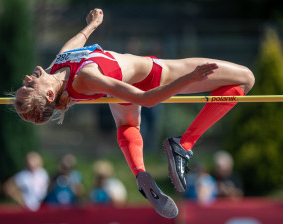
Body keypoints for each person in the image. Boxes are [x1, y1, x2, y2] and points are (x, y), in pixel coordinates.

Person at [13, 8, 255, 218]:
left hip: (123, 86)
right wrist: (187, 79)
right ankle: (184, 145)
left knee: (127, 126)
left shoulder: (57, 66)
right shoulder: (86, 78)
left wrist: (92, 25)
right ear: (48, 96)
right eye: (29, 87)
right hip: (154, 75)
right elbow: (146, 99)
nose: (26, 79)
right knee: (246, 78)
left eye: (23, 85)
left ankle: (140, 174)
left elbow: (74, 45)